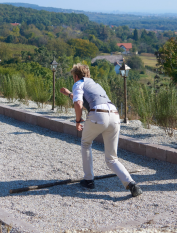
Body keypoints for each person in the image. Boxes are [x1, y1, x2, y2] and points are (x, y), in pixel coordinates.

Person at [59, 63, 142, 197]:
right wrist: (69, 94)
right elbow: (89, 103)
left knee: (86, 144)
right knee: (112, 158)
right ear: (88, 75)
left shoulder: (78, 83)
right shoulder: (96, 85)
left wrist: (78, 120)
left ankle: (89, 180)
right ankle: (132, 184)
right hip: (114, 115)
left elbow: (79, 103)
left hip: (98, 115)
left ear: (75, 76)